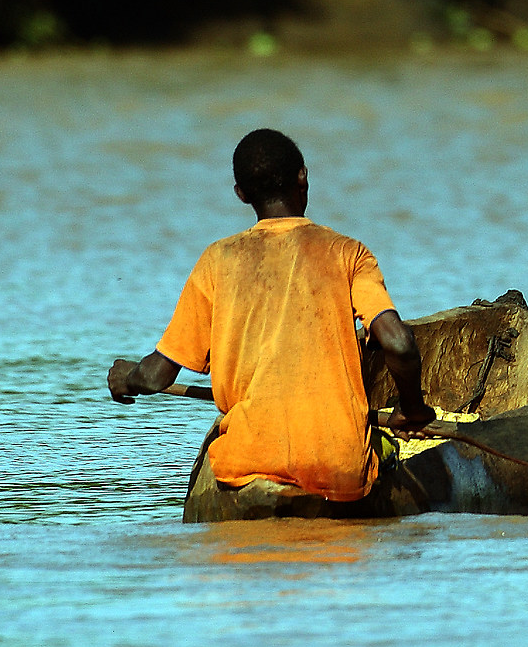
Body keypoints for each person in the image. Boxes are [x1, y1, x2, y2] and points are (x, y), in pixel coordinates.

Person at [107, 128, 436, 511]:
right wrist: (413, 410)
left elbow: (155, 377)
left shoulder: (217, 261)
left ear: (241, 194)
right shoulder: (348, 253)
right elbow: (398, 343)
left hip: (250, 461)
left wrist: (126, 377)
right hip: (341, 469)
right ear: (303, 177)